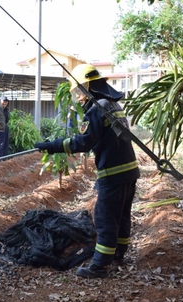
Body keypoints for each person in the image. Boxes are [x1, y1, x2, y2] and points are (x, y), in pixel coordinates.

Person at [34, 64, 140, 279]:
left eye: (79, 91)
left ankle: (99, 266)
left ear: (88, 87)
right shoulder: (112, 104)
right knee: (121, 216)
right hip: (129, 172)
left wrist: (51, 145)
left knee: (105, 219)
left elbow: (83, 142)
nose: (79, 97)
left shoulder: (96, 110)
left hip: (113, 174)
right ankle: (118, 253)